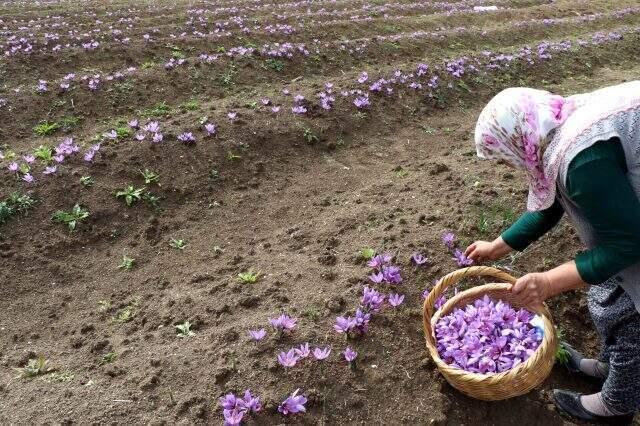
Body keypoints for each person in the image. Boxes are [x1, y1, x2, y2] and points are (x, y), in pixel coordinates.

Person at [465, 82, 640, 424]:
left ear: (517, 138)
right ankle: (609, 365)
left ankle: (616, 405)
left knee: (633, 317)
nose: (510, 166)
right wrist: (496, 247)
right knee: (611, 291)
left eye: (504, 158)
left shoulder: (581, 158)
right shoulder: (556, 125)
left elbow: (630, 243)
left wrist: (547, 282)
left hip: (633, 235)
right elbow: (550, 205)